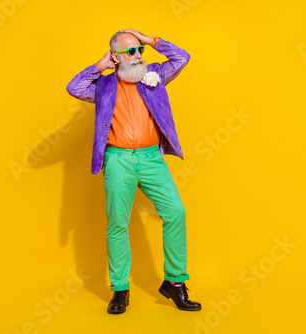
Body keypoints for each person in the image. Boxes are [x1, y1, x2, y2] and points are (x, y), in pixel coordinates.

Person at [66, 29, 201, 314]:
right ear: (117, 56)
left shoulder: (155, 75)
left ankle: (175, 284)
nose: (138, 56)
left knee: (175, 212)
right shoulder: (103, 86)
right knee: (118, 223)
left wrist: (150, 39)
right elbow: (74, 87)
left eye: (140, 51)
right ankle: (120, 290)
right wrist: (100, 65)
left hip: (152, 159)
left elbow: (182, 57)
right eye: (131, 51)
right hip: (117, 160)